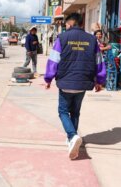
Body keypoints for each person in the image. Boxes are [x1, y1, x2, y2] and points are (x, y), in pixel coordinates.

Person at [44, 13, 106, 160]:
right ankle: (71, 138)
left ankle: (72, 136)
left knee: (63, 111)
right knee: (75, 112)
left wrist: (48, 78)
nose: (65, 26)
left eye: (66, 24)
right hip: (83, 83)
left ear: (70, 24)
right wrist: (99, 80)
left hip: (66, 82)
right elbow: (99, 62)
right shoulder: (92, 40)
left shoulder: (62, 38)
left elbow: (54, 60)